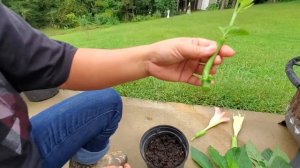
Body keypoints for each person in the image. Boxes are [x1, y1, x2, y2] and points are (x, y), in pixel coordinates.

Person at [0, 3, 235, 168]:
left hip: (20, 142)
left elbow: (53, 62)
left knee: (107, 101)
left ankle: (85, 164)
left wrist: (149, 60)